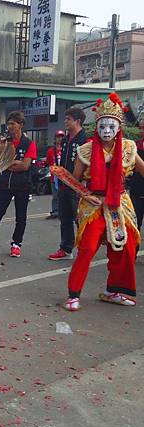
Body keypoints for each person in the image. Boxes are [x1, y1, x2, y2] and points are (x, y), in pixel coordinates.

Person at [63, 93, 144, 311]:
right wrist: (83, 194)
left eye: (111, 126)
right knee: (88, 247)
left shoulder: (128, 148)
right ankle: (74, 293)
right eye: (102, 126)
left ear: (119, 127)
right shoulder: (86, 151)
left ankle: (115, 290)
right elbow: (72, 178)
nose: (107, 131)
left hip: (119, 203)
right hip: (94, 203)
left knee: (125, 246)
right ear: (96, 127)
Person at [0, 111, 36, 258]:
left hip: (22, 186)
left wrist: (8, 164)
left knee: (21, 217)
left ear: (21, 125)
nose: (10, 126)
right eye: (9, 123)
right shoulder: (4, 143)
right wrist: (13, 163)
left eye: (13, 123)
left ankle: (16, 244)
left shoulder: (29, 144)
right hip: (5, 185)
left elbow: (25, 166)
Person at [48, 107, 88, 261]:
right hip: (64, 185)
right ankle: (66, 249)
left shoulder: (84, 141)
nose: (65, 122)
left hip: (77, 187)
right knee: (64, 218)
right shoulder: (65, 140)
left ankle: (85, 249)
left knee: (80, 219)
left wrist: (81, 184)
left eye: (68, 119)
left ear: (77, 121)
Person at [129, 119, 144, 252]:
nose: (141, 131)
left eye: (143, 128)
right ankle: (133, 251)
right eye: (140, 128)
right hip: (136, 191)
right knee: (134, 223)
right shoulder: (134, 147)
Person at [45, 130, 65, 219]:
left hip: (65, 178)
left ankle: (64, 211)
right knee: (55, 195)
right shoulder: (51, 151)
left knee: (65, 195)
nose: (60, 139)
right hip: (54, 177)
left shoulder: (66, 149)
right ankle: (55, 211)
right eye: (58, 137)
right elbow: (48, 163)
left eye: (61, 137)